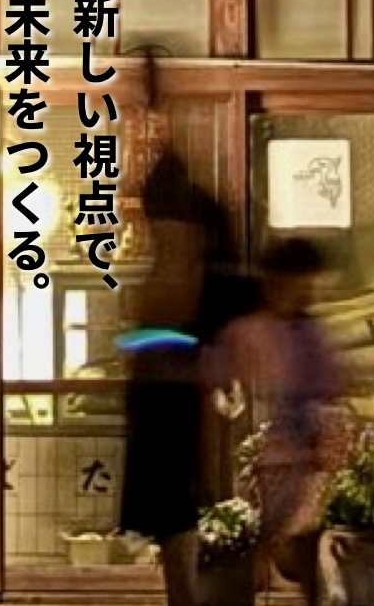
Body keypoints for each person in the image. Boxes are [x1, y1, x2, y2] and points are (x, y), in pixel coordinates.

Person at [117, 58, 258, 606]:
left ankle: (186, 595)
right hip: (167, 378)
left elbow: (186, 313)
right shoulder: (194, 246)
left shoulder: (192, 247)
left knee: (175, 505)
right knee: (174, 508)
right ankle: (184, 594)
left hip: (170, 379)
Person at [208, 237, 346, 605]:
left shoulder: (305, 332)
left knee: (299, 546)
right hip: (278, 457)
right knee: (283, 545)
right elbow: (226, 367)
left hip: (301, 456)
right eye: (302, 282)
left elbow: (328, 389)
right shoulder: (259, 328)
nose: (307, 291)